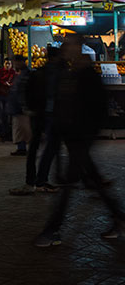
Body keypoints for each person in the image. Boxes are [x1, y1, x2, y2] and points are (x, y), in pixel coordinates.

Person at [35, 34, 125, 247]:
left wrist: (86, 132)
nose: (66, 51)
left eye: (69, 47)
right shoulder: (71, 72)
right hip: (73, 135)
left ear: (78, 48)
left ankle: (52, 229)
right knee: (95, 183)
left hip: (81, 137)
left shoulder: (86, 75)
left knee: (68, 185)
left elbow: (95, 106)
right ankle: (119, 218)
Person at [9, 47, 62, 196]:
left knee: (35, 148)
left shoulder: (38, 72)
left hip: (37, 114)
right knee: (49, 147)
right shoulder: (52, 73)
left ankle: (33, 180)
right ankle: (41, 180)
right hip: (46, 114)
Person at [7, 55, 31, 156]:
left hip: (21, 107)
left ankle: (23, 148)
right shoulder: (21, 74)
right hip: (18, 107)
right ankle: (22, 147)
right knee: (20, 129)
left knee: (22, 129)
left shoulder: (25, 75)